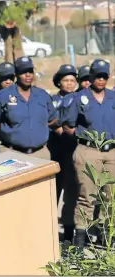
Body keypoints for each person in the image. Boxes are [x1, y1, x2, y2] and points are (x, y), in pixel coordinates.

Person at [61, 59, 115, 248]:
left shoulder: (113, 97)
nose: (101, 80)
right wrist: (82, 136)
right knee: (87, 196)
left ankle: (108, 237)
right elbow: (68, 125)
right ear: (90, 77)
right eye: (98, 76)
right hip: (88, 150)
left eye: (104, 76)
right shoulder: (79, 98)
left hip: (111, 152)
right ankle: (80, 239)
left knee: (111, 197)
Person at [0, 56, 58, 159]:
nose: (28, 75)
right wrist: (4, 129)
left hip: (40, 153)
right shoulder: (3, 96)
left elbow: (53, 119)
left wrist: (40, 126)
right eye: (23, 72)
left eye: (30, 71)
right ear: (16, 74)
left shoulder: (43, 95)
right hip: (12, 153)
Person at [48, 64, 79, 243]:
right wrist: (57, 128)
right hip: (54, 151)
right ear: (59, 82)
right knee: (53, 192)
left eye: (72, 81)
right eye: (65, 80)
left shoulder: (79, 98)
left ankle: (68, 233)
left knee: (71, 193)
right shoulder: (51, 99)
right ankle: (50, 229)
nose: (69, 84)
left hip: (72, 151)